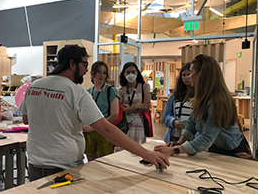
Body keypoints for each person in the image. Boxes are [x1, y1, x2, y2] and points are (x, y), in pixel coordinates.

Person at [19, 45, 169, 181]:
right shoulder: (76, 92)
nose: (86, 70)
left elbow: (26, 119)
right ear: (72, 64)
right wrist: (147, 154)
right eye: (84, 65)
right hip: (64, 169)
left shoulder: (34, 86)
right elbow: (106, 129)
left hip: (35, 166)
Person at [154, 55, 250, 158]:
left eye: (191, 73)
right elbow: (191, 123)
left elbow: (206, 138)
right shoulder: (201, 97)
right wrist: (180, 142)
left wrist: (174, 150)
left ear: (201, 75)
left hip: (232, 151)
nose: (188, 77)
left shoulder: (217, 101)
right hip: (215, 148)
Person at [83, 61, 119, 161]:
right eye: (99, 72)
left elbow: (114, 115)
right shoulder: (87, 92)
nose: (101, 75)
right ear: (92, 73)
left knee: (105, 162)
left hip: (105, 131)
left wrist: (93, 128)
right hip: (89, 133)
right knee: (91, 162)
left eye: (104, 73)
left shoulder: (111, 90)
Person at [118, 62, 151, 148]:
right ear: (124, 74)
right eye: (128, 72)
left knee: (138, 149)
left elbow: (146, 107)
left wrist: (128, 109)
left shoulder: (145, 86)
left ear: (137, 73)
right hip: (125, 124)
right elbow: (121, 111)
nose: (131, 74)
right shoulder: (121, 90)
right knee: (123, 149)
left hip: (139, 124)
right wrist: (138, 106)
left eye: (133, 72)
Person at [163, 62, 194, 143]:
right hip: (174, 136)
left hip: (192, 139)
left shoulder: (199, 96)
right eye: (184, 75)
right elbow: (165, 115)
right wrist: (174, 122)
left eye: (189, 74)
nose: (186, 77)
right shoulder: (174, 96)